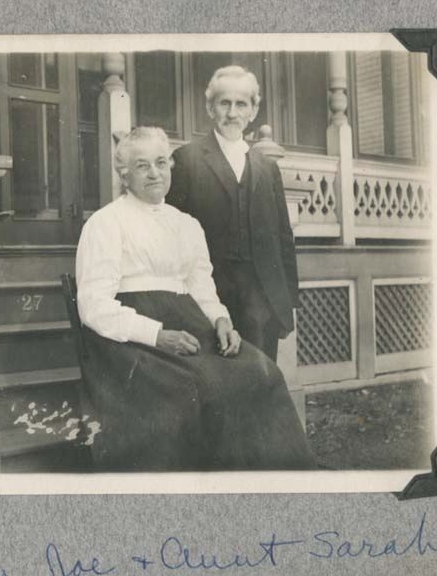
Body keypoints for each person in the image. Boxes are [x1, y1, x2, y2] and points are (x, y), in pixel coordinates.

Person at [74, 126, 314, 472]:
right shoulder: (105, 224)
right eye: (142, 166)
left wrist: (222, 320)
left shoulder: (187, 225)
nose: (154, 173)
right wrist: (157, 335)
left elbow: (201, 288)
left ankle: (270, 482)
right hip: (130, 342)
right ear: (124, 175)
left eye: (161, 163)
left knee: (264, 374)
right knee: (201, 387)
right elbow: (93, 306)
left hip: (188, 322)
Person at [166, 65, 298, 362]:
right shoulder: (187, 160)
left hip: (262, 298)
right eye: (224, 103)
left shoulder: (267, 167)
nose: (232, 113)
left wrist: (286, 302)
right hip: (209, 296)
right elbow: (171, 238)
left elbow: (283, 237)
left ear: (253, 111)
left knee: (261, 377)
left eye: (241, 104)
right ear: (210, 108)